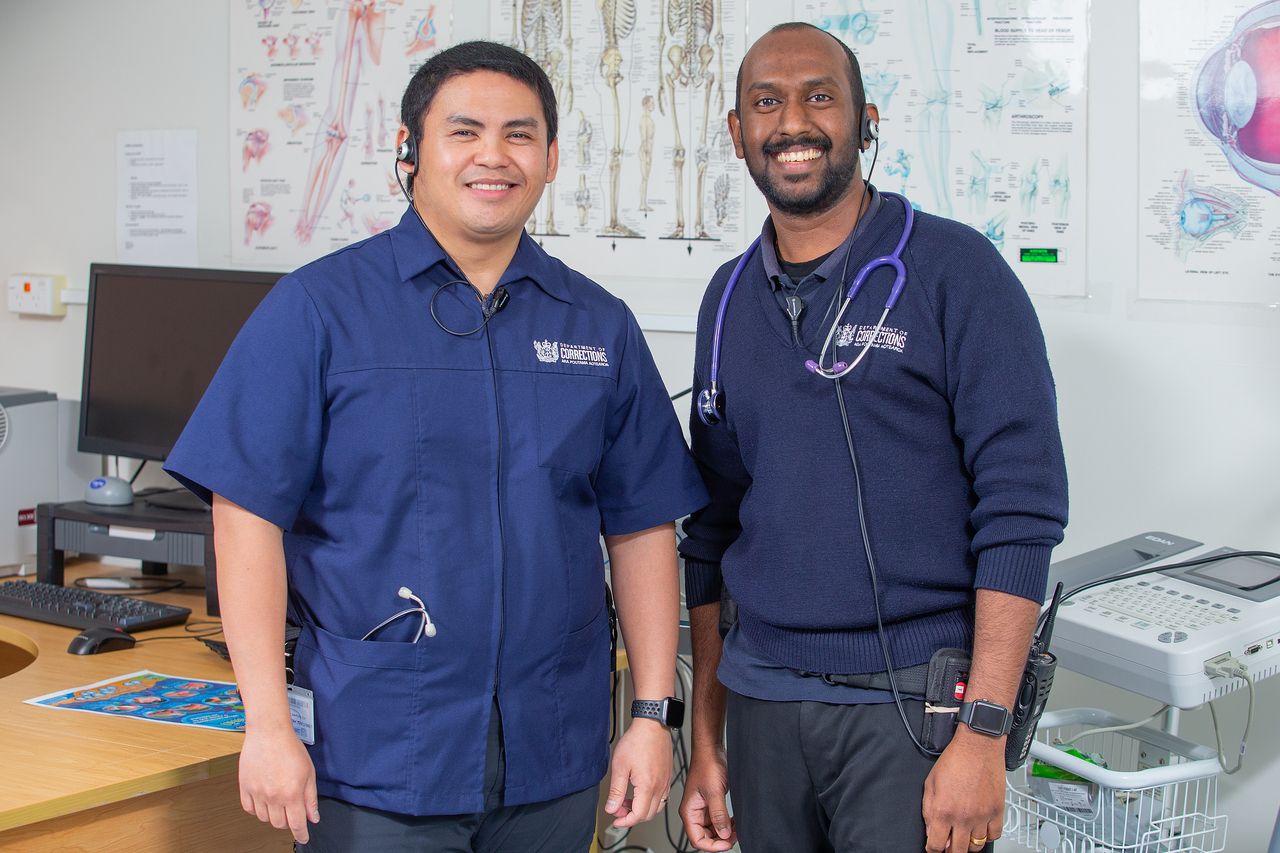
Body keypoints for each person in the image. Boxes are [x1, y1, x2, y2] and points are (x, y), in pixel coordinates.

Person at [166, 41, 707, 853]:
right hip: (376, 752)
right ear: (410, 151)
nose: (494, 155)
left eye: (520, 134)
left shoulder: (596, 326)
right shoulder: (317, 308)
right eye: (464, 131)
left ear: (552, 158)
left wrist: (652, 715)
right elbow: (244, 516)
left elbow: (642, 528)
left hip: (553, 755)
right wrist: (268, 724)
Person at [676, 22, 1069, 853]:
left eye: (820, 96)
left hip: (914, 716)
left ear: (866, 121)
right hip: (761, 704)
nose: (793, 122)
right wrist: (705, 738)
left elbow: (1021, 512)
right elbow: (710, 529)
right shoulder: (728, 298)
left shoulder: (957, 274)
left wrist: (986, 731)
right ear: (738, 132)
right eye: (767, 102)